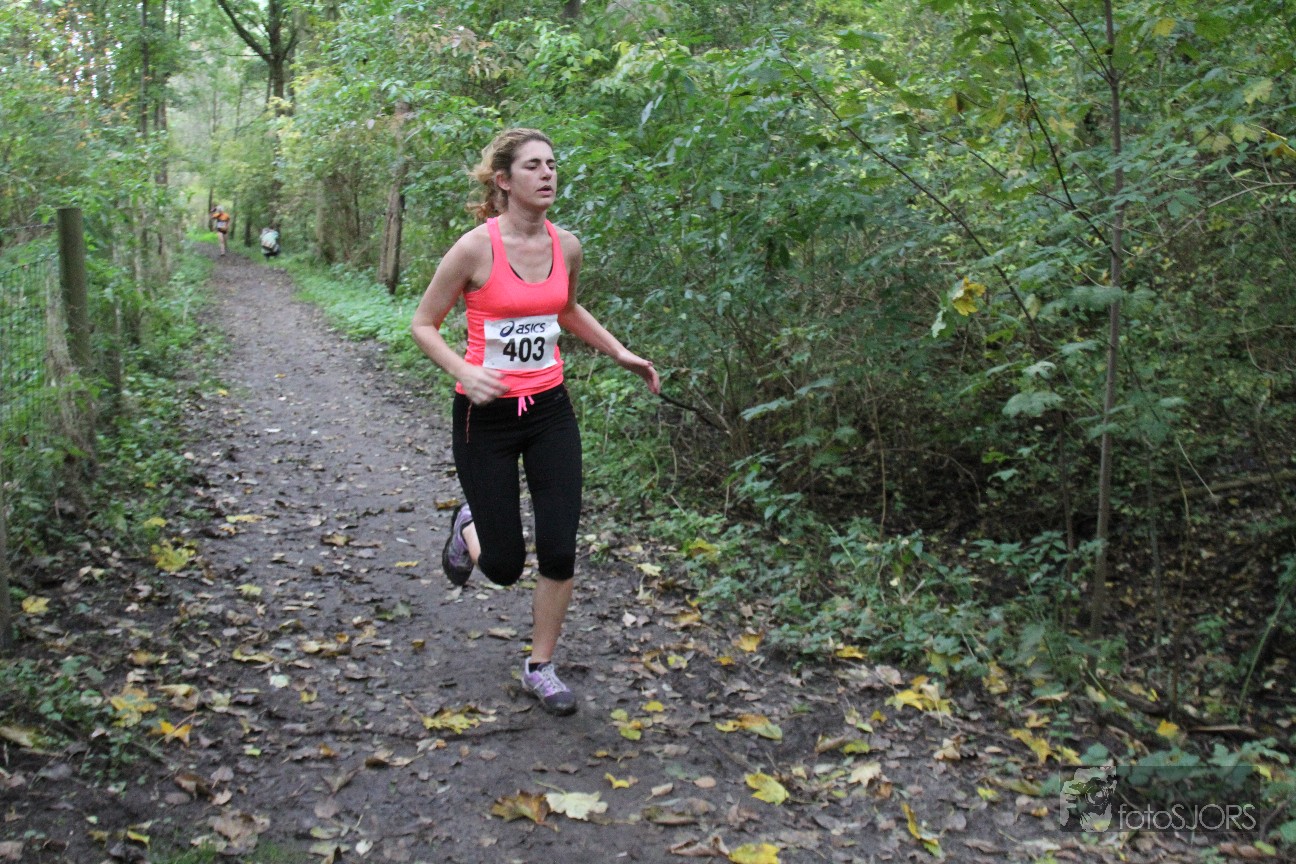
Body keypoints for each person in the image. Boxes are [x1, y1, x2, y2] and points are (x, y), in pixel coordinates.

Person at [410, 128, 659, 716]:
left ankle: (540, 667)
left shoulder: (565, 245)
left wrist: (619, 351)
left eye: (552, 164)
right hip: (485, 417)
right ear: (503, 180)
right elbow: (423, 324)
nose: (547, 173)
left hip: (549, 411)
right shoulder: (474, 249)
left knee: (559, 546)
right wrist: (464, 371)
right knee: (501, 567)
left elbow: (564, 307)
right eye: (532, 166)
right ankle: (468, 525)